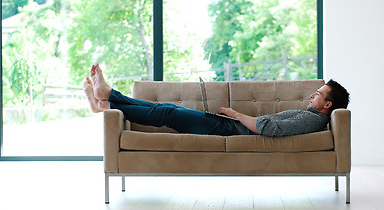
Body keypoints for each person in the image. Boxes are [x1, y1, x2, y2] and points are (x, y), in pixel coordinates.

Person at [83, 62, 350, 137]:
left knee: (169, 114)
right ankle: (105, 102)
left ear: (328, 105)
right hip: (228, 126)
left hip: (230, 129)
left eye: (319, 93)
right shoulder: (311, 117)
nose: (313, 93)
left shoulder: (311, 121)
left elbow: (268, 128)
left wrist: (235, 115)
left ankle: (107, 98)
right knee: (168, 108)